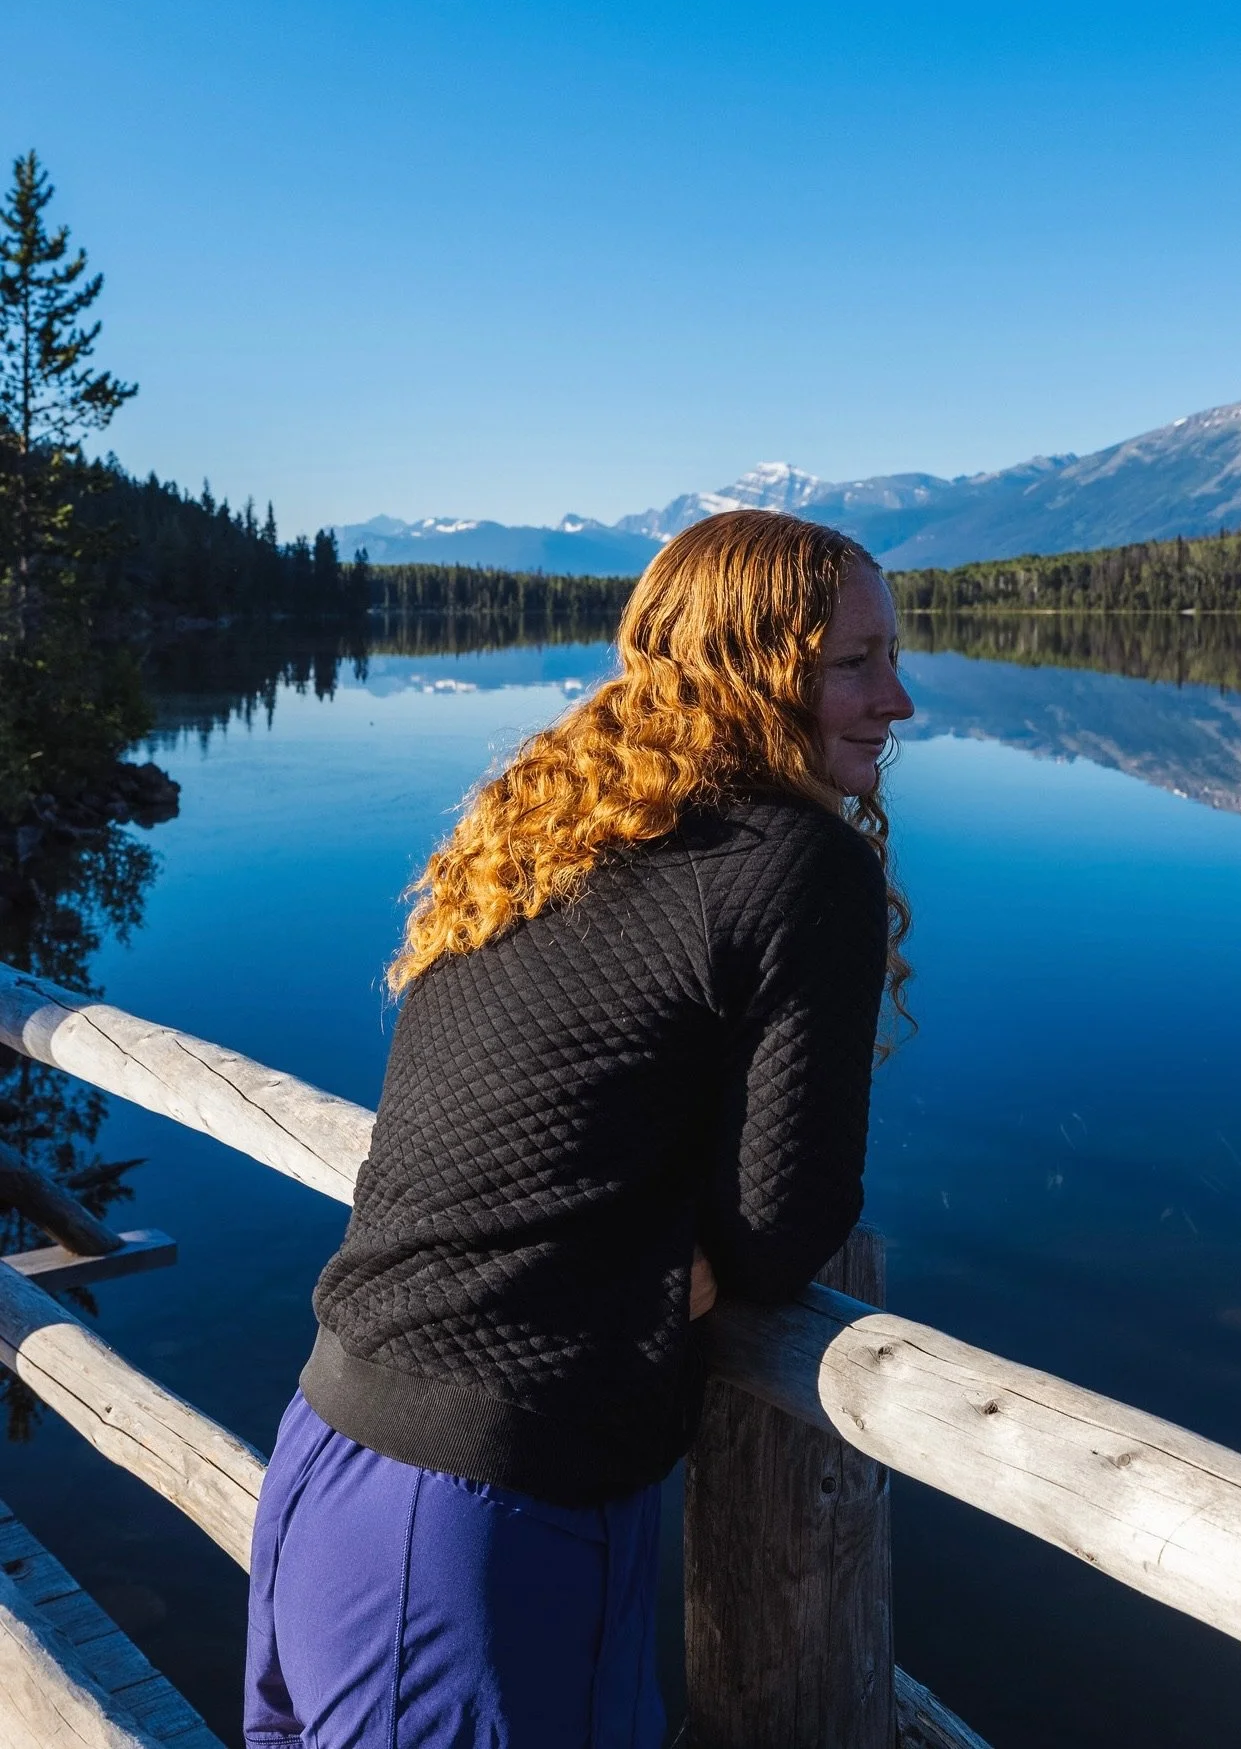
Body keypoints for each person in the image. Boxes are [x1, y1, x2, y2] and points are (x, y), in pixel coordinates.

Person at [244, 509, 915, 1749]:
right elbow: (785, 1228)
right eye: (854, 663)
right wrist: (667, 1259)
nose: (899, 699)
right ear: (751, 666)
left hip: (331, 1451)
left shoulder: (557, 818)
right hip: (479, 1527)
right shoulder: (794, 864)